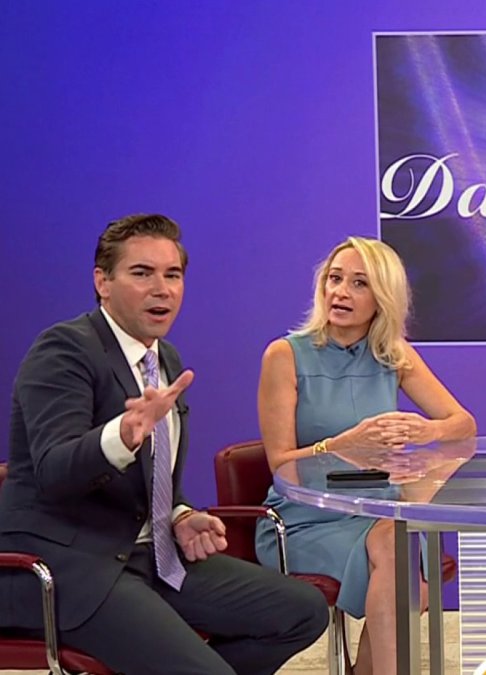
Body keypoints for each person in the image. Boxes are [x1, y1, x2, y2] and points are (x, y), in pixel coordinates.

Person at [0, 214, 329, 675]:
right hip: (71, 569)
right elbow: (54, 473)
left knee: (302, 611)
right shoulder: (63, 350)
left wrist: (179, 514)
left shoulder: (164, 357)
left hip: (150, 558)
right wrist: (120, 436)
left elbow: (150, 480)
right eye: (142, 273)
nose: (162, 289)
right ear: (102, 282)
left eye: (172, 275)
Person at [255, 236, 477, 675]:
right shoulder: (285, 355)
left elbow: (463, 424)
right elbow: (281, 466)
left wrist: (428, 429)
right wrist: (341, 446)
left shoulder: (394, 355)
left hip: (377, 510)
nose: (341, 292)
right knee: (405, 576)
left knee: (397, 547)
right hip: (304, 518)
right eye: (335, 279)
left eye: (359, 283)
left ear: (382, 298)